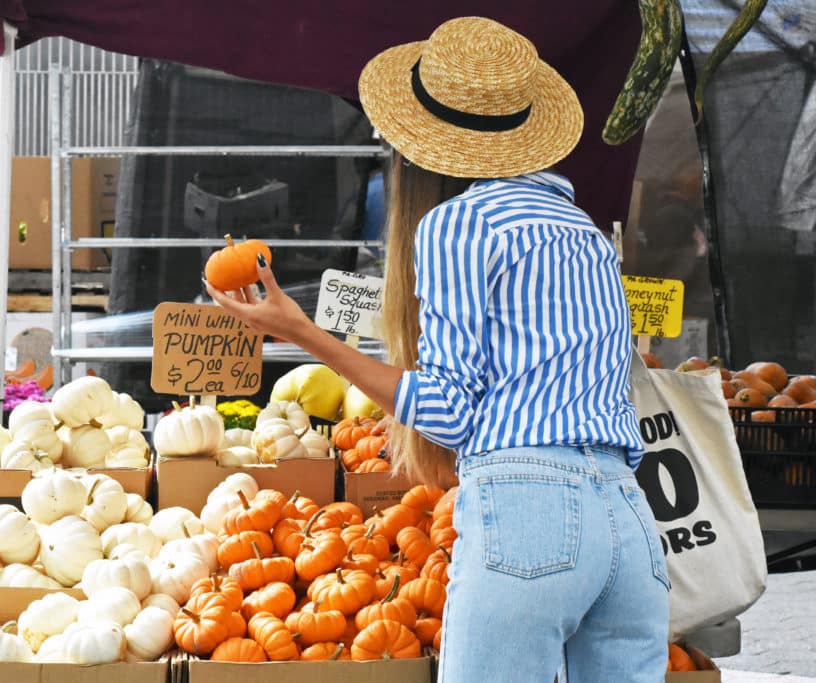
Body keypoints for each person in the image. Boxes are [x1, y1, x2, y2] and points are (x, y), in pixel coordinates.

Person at [206, 17, 669, 682]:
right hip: (627, 517)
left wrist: (305, 333)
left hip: (531, 507)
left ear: (422, 143)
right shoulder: (587, 234)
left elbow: (449, 411)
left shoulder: (460, 223)